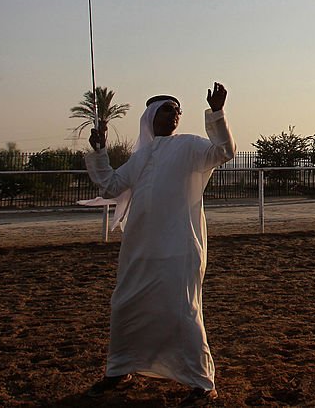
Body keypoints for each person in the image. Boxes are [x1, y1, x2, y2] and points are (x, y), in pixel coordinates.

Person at [84, 82, 235, 407]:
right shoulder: (140, 158)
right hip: (141, 250)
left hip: (179, 249)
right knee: (125, 306)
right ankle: (120, 369)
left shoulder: (191, 146)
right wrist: (99, 151)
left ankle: (202, 383)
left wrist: (218, 113)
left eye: (177, 110)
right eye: (168, 109)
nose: (175, 114)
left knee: (182, 311)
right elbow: (110, 185)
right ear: (151, 116)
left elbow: (224, 151)